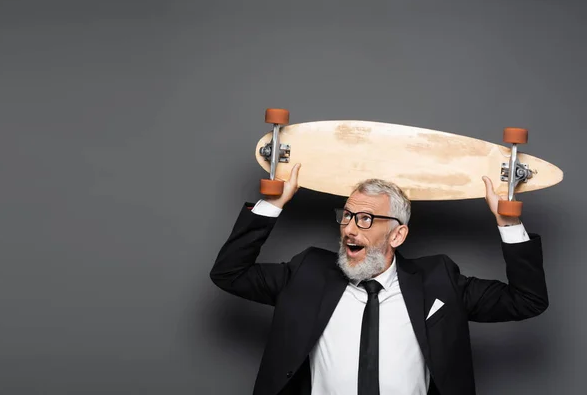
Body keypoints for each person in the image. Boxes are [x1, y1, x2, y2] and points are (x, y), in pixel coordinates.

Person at [210, 163, 548, 395]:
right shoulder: (307, 273)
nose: (350, 229)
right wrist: (271, 205)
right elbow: (230, 273)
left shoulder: (439, 280)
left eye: (366, 219)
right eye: (347, 216)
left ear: (398, 235)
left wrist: (508, 225)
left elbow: (526, 300)